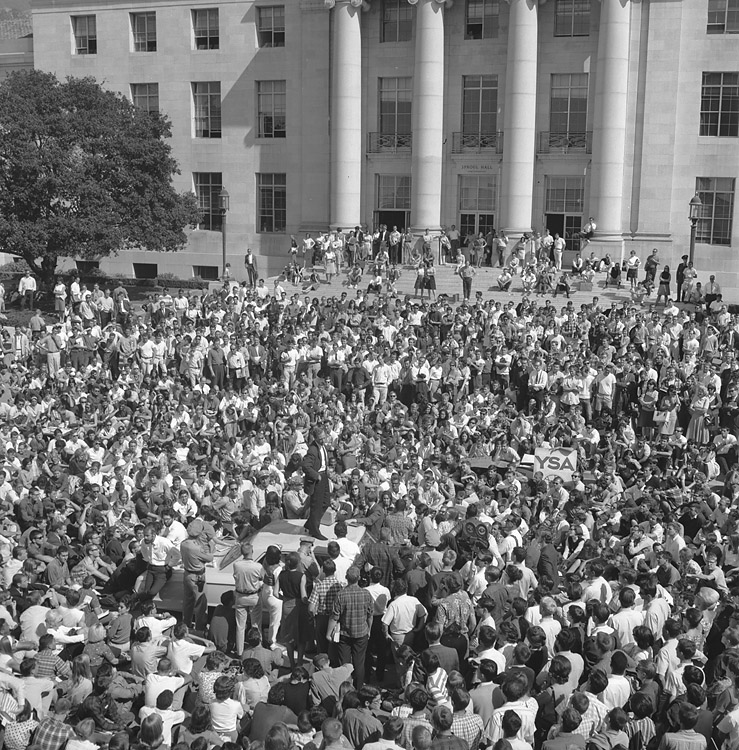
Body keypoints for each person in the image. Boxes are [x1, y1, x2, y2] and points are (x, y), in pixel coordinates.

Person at [233, 542, 264, 657]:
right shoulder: (258, 566)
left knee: (240, 626)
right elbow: (263, 578)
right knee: (256, 624)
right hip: (254, 596)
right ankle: (257, 649)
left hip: (240, 596)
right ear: (252, 551)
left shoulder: (237, 565)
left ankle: (240, 652)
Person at [302, 427, 332, 540]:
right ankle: (314, 530)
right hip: (317, 479)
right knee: (317, 505)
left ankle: (311, 523)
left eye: (324, 438)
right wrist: (316, 475)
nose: (323, 441)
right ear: (315, 438)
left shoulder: (322, 446)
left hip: (324, 475)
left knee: (326, 502)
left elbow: (323, 461)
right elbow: (305, 466)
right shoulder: (312, 450)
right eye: (320, 439)